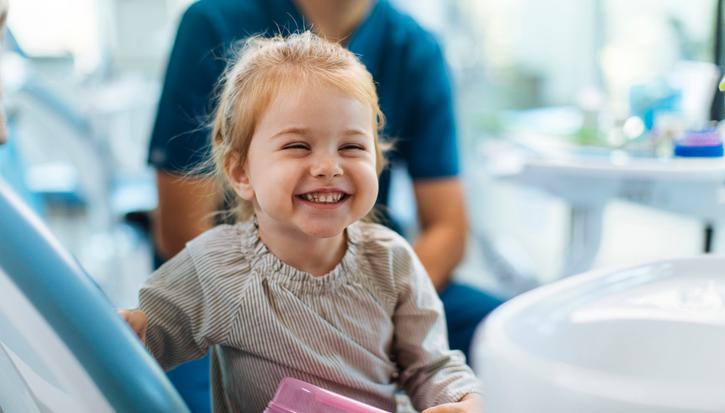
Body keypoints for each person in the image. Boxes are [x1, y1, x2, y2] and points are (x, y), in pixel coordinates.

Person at [148, 0, 502, 410]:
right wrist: (282, 323)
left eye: (352, 146)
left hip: (366, 280)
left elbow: (448, 232)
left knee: (511, 338)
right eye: (298, 146)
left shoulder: (414, 46)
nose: (328, 167)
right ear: (240, 172)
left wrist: (374, 314)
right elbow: (171, 251)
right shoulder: (213, 23)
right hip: (239, 299)